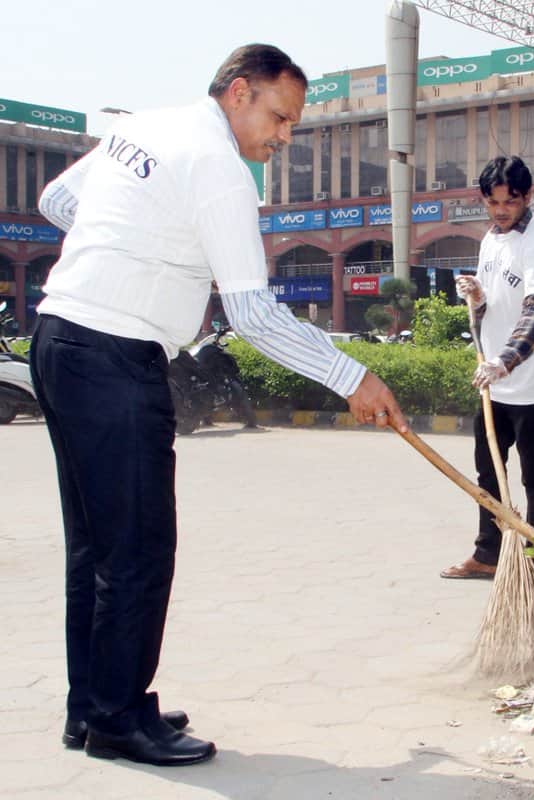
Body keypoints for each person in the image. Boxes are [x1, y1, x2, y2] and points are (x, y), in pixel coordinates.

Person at [31, 44, 405, 768]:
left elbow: (57, 202)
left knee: (98, 547)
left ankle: (96, 705)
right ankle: (116, 717)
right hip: (112, 355)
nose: (284, 136)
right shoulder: (218, 170)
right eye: (280, 116)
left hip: (58, 340)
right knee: (138, 549)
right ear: (239, 92)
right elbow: (255, 317)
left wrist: (131, 241)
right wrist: (352, 377)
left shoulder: (143, 128)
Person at [440, 156, 534, 589]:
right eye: (492, 202)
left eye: (509, 202)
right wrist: (477, 295)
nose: (500, 210)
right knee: (488, 474)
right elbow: (493, 306)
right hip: (493, 383)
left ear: (527, 198)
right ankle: (488, 553)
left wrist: (505, 361)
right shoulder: (491, 240)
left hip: (531, 384)